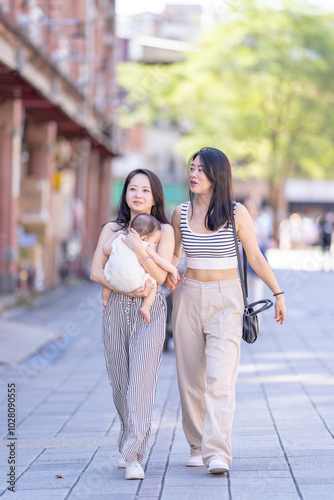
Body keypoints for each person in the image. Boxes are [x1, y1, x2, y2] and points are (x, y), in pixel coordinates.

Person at [165, 147, 286, 475]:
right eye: (192, 168)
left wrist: (278, 292)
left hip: (227, 299)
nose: (194, 174)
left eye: (201, 170)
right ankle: (195, 445)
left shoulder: (237, 213)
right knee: (190, 377)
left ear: (218, 176)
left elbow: (256, 258)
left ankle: (217, 451)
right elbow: (172, 259)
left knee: (221, 378)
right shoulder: (180, 213)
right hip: (188, 296)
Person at [90, 169, 174, 480]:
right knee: (120, 384)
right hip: (115, 308)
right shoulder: (112, 229)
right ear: (125, 193)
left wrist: (139, 249)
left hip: (148, 310)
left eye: (145, 191)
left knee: (141, 381)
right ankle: (128, 435)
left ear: (155, 198)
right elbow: (95, 271)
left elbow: (163, 277)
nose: (138, 195)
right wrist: (126, 288)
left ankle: (134, 454)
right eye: (133, 189)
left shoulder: (164, 230)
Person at [102, 213, 178, 323]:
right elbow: (159, 260)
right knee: (153, 285)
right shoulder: (145, 245)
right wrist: (173, 269)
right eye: (155, 242)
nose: (154, 245)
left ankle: (105, 299)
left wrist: (114, 236)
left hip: (113, 282)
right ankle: (146, 307)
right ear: (144, 238)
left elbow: (105, 250)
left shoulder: (120, 239)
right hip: (136, 285)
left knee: (110, 270)